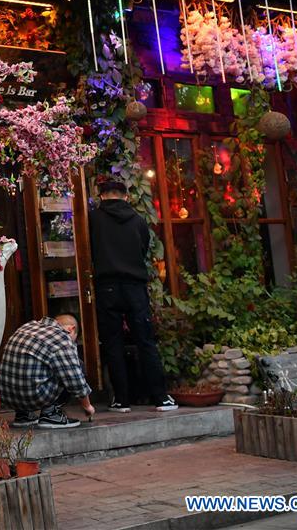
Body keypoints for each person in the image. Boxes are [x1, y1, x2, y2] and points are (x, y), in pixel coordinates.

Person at [88, 175, 177, 413]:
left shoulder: (93, 219)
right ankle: (160, 398)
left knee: (113, 343)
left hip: (106, 286)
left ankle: (121, 400)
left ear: (101, 196)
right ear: (126, 196)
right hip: (135, 286)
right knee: (145, 340)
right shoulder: (138, 220)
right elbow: (144, 248)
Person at [0, 314, 95, 429]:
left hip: (5, 396)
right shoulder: (61, 338)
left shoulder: (28, 326)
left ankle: (23, 415)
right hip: (33, 395)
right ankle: (50, 414)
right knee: (75, 364)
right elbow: (74, 378)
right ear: (71, 329)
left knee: (30, 367)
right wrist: (87, 406)